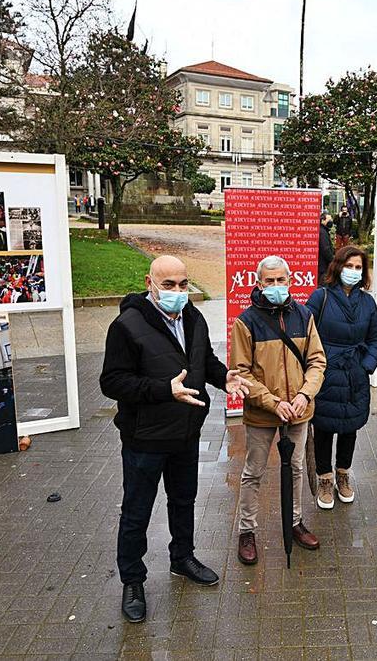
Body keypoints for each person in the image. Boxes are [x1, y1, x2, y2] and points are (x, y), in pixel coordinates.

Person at [100, 255, 251, 624]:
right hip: (145, 438)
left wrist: (223, 378)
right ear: (150, 283)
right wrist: (162, 390)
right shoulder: (127, 325)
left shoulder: (194, 317)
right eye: (169, 285)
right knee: (136, 511)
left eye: (183, 284)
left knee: (184, 500)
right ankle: (133, 580)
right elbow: (111, 382)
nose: (178, 292)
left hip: (185, 432)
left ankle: (182, 557)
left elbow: (204, 359)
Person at [230, 255, 327, 566]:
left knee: (296, 469)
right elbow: (241, 371)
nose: (275, 286)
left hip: (299, 411)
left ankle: (294, 521)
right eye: (268, 281)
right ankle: (247, 531)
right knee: (253, 472)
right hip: (262, 413)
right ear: (259, 283)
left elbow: (317, 362)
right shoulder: (246, 321)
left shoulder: (304, 316)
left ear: (290, 280)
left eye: (280, 280)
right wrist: (273, 401)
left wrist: (304, 394)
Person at [305, 246, 377, 509]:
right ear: (337, 267)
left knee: (350, 428)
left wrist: (367, 366)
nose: (353, 271)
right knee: (324, 429)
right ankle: (325, 479)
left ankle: (343, 474)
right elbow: (305, 334)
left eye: (358, 267)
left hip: (355, 374)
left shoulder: (368, 302)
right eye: (349, 266)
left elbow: (375, 338)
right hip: (327, 373)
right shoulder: (321, 297)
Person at [317, 213, 335, 285]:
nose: (331, 221)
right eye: (329, 219)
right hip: (323, 265)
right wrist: (332, 260)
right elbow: (325, 249)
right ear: (322, 220)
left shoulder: (323, 231)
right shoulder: (322, 232)